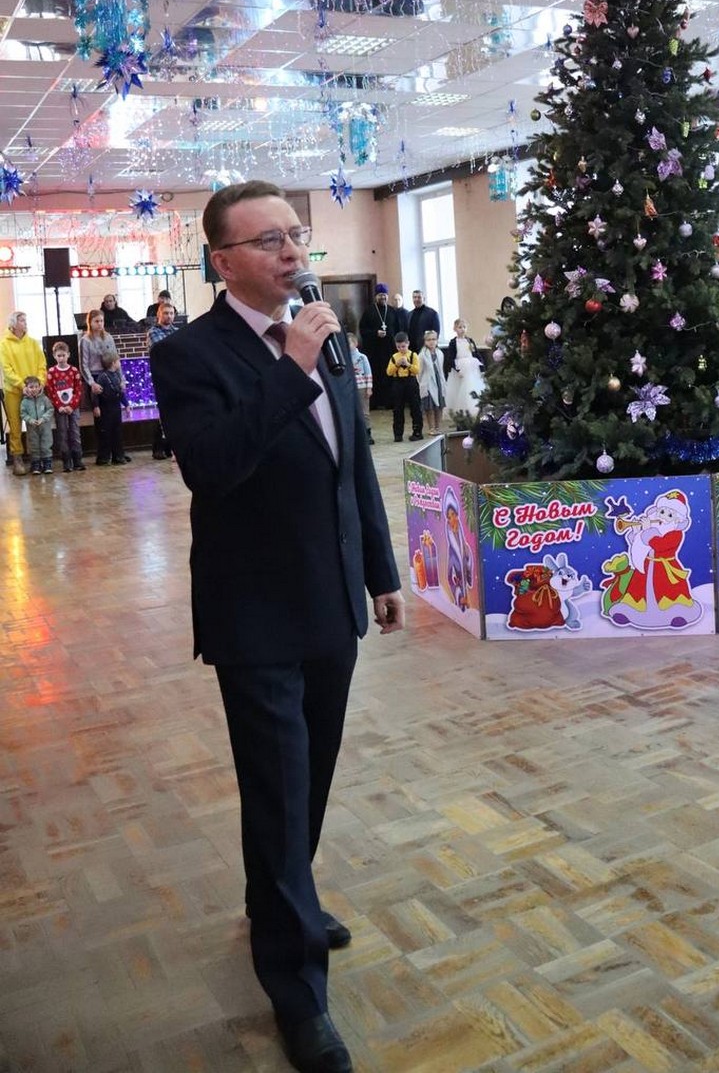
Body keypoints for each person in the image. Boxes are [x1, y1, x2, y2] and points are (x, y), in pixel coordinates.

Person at [149, 180, 403, 1073]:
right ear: (223, 261)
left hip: (331, 597)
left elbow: (353, 466)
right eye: (269, 241)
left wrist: (380, 570)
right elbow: (213, 469)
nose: (293, 252)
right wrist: (289, 368)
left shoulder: (321, 334)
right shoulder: (188, 355)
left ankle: (283, 896)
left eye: (296, 235)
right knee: (278, 785)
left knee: (314, 774)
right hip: (254, 610)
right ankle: (296, 987)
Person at [0, 311, 47, 476]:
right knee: (15, 426)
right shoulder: (4, 344)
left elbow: (42, 365)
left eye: (25, 320)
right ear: (13, 324)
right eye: (21, 320)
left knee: (35, 424)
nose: (25, 322)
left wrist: (40, 383)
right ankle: (17, 458)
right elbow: (7, 370)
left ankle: (36, 458)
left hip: (34, 392)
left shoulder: (33, 343)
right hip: (14, 391)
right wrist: (22, 385)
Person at [46, 340, 86, 472]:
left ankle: (78, 460)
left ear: (68, 355)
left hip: (72, 408)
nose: (61, 358)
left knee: (75, 433)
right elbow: (51, 392)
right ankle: (66, 462)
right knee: (62, 433)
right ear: (54, 356)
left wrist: (72, 406)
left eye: (63, 355)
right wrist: (59, 406)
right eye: (59, 356)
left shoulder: (74, 371)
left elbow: (78, 390)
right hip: (60, 409)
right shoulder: (51, 372)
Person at [147, 302, 179, 459]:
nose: (169, 316)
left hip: (177, 376)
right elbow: (161, 349)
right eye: (166, 313)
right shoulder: (153, 332)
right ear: (159, 315)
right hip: (162, 376)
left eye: (171, 313)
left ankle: (171, 447)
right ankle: (158, 447)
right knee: (163, 411)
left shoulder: (177, 331)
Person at [357, 284, 397, 411]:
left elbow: (398, 329)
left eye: (384, 295)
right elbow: (363, 329)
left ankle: (389, 402)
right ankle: (374, 403)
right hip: (373, 350)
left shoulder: (391, 311)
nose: (383, 297)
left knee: (388, 375)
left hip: (389, 349)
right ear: (376, 296)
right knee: (375, 375)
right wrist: (376, 333)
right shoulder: (369, 311)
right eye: (380, 295)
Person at [93, 355, 131, 466]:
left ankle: (118, 456)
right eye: (118, 361)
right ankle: (103, 457)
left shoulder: (117, 376)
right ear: (113, 363)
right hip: (105, 408)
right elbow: (95, 394)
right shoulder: (102, 377)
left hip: (116, 407)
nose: (120, 363)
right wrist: (96, 406)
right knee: (106, 433)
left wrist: (126, 404)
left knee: (117, 432)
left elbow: (120, 392)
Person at [443, 318, 485, 418]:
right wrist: (457, 370)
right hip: (460, 368)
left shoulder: (470, 341)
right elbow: (450, 358)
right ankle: (462, 413)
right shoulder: (453, 342)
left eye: (464, 327)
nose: (462, 329)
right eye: (460, 327)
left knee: (473, 387)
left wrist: (482, 366)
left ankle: (474, 411)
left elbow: (476, 353)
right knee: (460, 391)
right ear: (455, 329)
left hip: (472, 368)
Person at [386, 331, 422, 443]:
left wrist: (408, 365)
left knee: (415, 407)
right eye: (398, 347)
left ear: (408, 344)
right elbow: (389, 372)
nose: (401, 349)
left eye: (403, 346)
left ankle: (417, 432)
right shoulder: (394, 357)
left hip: (411, 382)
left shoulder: (413, 355)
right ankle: (398, 434)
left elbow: (417, 370)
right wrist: (397, 364)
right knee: (398, 409)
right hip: (398, 383)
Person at [80, 309, 122, 402]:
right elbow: (84, 365)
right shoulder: (85, 340)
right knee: (98, 410)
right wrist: (92, 383)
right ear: (90, 322)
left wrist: (121, 379)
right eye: (96, 321)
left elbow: (115, 359)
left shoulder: (108, 337)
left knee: (112, 405)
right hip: (95, 376)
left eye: (101, 321)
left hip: (110, 373)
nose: (99, 323)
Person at [20, 376, 55, 475]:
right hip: (32, 428)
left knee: (46, 444)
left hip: (45, 427)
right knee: (34, 445)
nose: (34, 389)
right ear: (26, 388)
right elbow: (23, 414)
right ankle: (36, 465)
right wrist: (30, 420)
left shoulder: (44, 399)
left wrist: (43, 418)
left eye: (36, 386)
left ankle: (47, 464)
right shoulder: (25, 402)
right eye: (31, 387)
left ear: (40, 387)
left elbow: (50, 409)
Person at [347, 332, 374, 445]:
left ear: (356, 343)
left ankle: (367, 434)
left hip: (362, 387)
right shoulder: (344, 357)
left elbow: (368, 372)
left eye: (350, 343)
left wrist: (369, 387)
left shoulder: (362, 358)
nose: (348, 346)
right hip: (350, 388)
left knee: (364, 412)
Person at [418, 329, 446, 436]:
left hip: (438, 381)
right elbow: (419, 372)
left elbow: (441, 368)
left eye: (434, 339)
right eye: (429, 340)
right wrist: (422, 383)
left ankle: (438, 426)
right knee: (429, 407)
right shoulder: (422, 355)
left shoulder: (440, 353)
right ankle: (431, 427)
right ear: (425, 341)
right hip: (428, 382)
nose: (431, 342)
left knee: (439, 406)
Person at [406, 289, 440, 354]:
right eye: (414, 297)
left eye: (419, 297)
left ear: (423, 299)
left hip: (426, 349)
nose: (416, 299)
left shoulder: (432, 313)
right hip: (411, 350)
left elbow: (436, 333)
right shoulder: (409, 315)